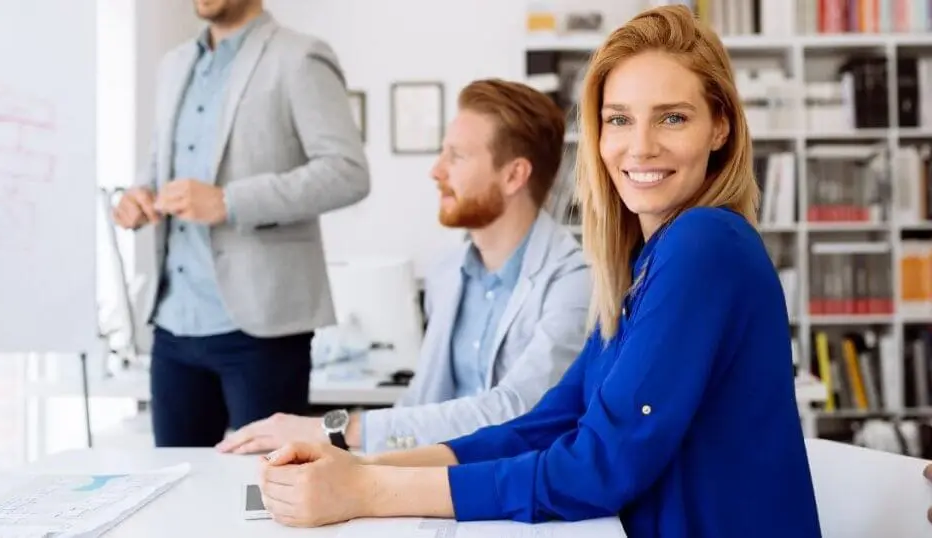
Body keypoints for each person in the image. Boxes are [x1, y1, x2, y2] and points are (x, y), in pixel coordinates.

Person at [251, 6, 824, 536]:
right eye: (618, 120)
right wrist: (360, 465)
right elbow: (545, 424)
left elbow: (597, 469)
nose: (639, 146)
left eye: (672, 118)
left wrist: (370, 491)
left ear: (720, 128)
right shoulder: (643, 268)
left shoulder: (706, 244)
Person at [215, 79, 590, 455]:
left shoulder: (575, 281)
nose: (436, 171)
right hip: (437, 477)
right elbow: (422, 405)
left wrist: (337, 429)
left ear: (513, 175)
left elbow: (519, 411)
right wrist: (333, 451)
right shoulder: (448, 272)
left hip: (515, 490)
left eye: (456, 156)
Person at [111, 0, 369, 447]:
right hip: (172, 326)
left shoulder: (299, 56)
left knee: (266, 496)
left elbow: (347, 173)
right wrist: (138, 196)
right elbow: (158, 165)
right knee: (179, 488)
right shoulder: (174, 64)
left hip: (262, 328)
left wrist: (229, 201)